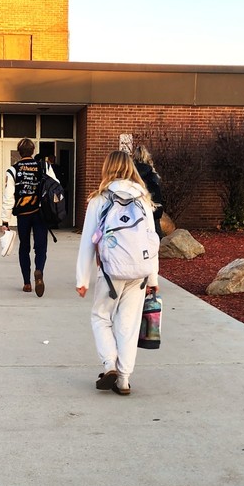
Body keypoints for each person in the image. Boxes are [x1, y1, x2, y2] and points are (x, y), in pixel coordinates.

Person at [75, 150, 159, 396]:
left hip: (110, 273)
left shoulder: (100, 199)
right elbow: (151, 241)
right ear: (130, 168)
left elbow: (88, 242)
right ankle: (123, 379)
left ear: (107, 169)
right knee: (128, 325)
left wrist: (83, 279)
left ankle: (109, 364)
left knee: (101, 317)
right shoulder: (144, 199)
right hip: (139, 274)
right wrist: (153, 278)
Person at [1, 138, 54, 296]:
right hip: (41, 213)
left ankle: (26, 283)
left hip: (23, 215)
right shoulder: (44, 167)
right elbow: (54, 186)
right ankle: (39, 271)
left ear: (19, 152)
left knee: (24, 248)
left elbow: (8, 197)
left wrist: (5, 220)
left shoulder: (13, 170)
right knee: (41, 247)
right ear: (33, 151)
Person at [133, 144, 165, 235]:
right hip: (152, 208)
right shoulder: (152, 174)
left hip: (134, 209)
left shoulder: (130, 174)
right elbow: (157, 192)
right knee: (155, 234)